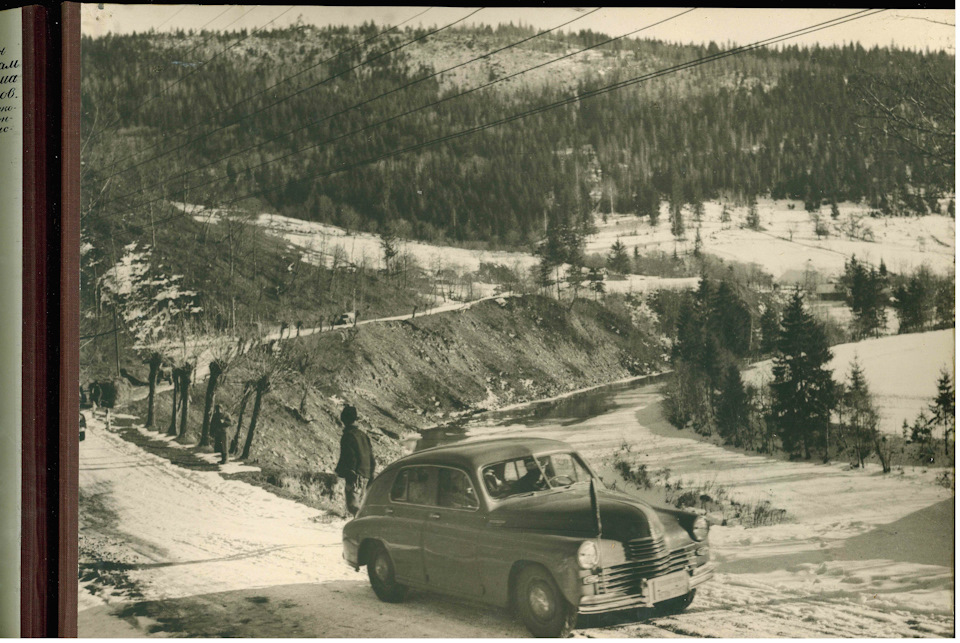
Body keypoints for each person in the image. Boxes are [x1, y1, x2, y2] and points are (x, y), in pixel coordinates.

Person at [334, 404, 376, 516]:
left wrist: (343, 472)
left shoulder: (348, 436)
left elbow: (350, 458)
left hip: (355, 477)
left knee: (353, 507)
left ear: (344, 419)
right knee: (361, 507)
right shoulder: (363, 435)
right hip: (366, 476)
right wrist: (371, 476)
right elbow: (371, 458)